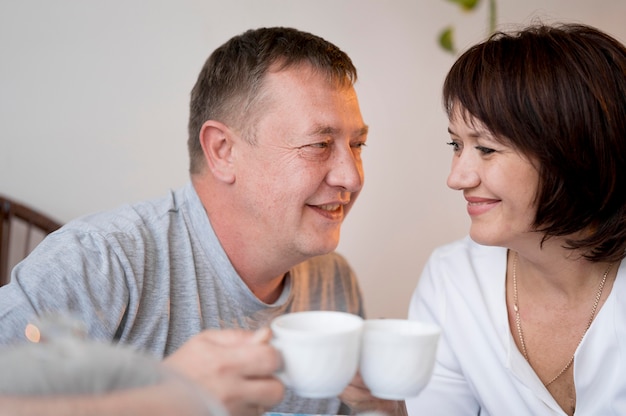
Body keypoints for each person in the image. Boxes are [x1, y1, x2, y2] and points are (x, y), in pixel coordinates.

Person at [0, 26, 396, 416]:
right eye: (319, 145)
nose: (352, 176)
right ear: (223, 151)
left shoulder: (334, 284)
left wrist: (394, 408)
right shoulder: (98, 263)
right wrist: (158, 400)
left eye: (357, 145)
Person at [406, 23, 626, 416]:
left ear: (577, 150)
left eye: (486, 148)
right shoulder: (452, 280)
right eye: (456, 145)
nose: (456, 177)